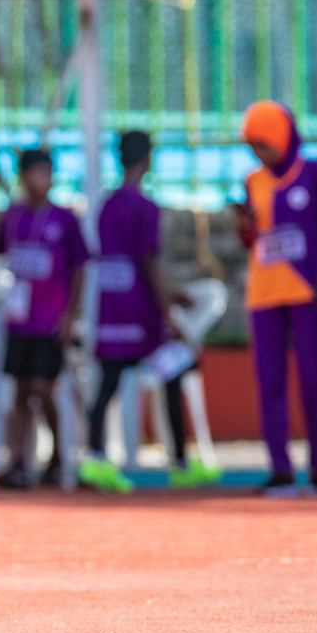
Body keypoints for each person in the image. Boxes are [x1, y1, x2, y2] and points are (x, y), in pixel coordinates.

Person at [79, 132, 214, 494]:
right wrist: (167, 308)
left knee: (107, 384)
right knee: (176, 369)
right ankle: (181, 463)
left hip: (112, 310)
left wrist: (170, 294)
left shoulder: (106, 205)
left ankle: (94, 459)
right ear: (148, 159)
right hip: (141, 313)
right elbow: (148, 260)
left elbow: (124, 261)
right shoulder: (145, 208)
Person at [233, 100, 317, 497]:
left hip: (306, 291)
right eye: (253, 146)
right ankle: (280, 468)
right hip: (264, 294)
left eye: (265, 143)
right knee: (270, 381)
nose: (260, 154)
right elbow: (252, 239)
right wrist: (244, 227)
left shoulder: (315, 173)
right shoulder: (252, 181)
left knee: (314, 378)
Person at [0, 149, 88, 490]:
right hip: (19, 319)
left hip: (50, 320)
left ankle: (58, 455)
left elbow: (81, 268)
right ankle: (17, 461)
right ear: (23, 177)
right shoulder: (13, 217)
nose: (42, 181)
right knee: (18, 391)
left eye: (47, 173)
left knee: (42, 387)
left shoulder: (65, 219)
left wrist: (69, 316)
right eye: (35, 173)